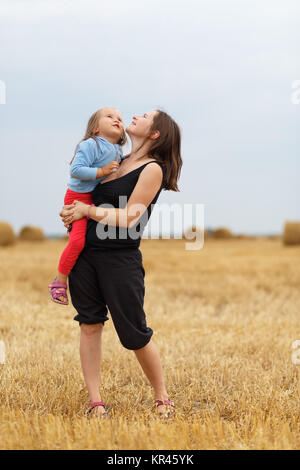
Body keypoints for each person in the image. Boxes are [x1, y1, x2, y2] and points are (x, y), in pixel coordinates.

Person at [60, 109, 182, 419]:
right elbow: (84, 197)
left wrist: (87, 213)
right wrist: (72, 214)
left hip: (121, 259)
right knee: (89, 324)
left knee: (134, 333)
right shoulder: (114, 159)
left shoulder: (152, 169)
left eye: (145, 116)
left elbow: (130, 218)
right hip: (86, 255)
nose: (135, 116)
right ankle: (95, 401)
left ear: (155, 134)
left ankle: (162, 397)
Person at [49, 107, 126, 305]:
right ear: (95, 128)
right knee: (77, 242)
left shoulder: (118, 150)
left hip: (94, 197)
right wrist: (101, 171)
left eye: (119, 118)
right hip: (77, 197)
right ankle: (59, 282)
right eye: (109, 117)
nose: (117, 120)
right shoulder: (90, 145)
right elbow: (75, 170)